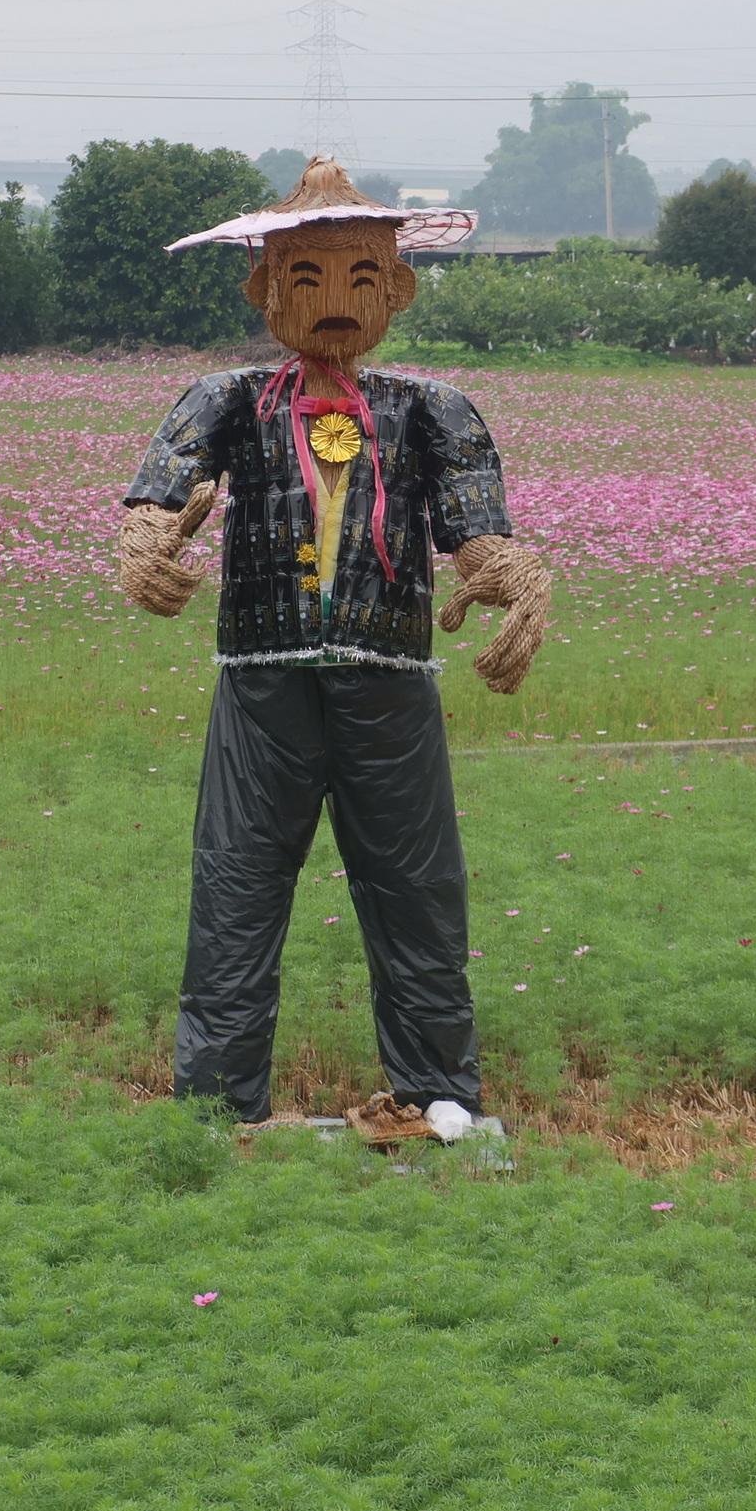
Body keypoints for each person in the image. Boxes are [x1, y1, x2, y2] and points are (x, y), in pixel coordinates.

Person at [114, 157, 552, 1144]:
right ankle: (217, 1109)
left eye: (360, 278)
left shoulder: (434, 411)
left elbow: (476, 531)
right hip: (262, 688)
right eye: (307, 278)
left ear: (395, 289)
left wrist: (519, 577)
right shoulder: (224, 400)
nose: (337, 302)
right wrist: (145, 537)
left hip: (390, 689)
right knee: (235, 882)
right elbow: (163, 489)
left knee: (417, 888)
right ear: (265, 290)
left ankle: (440, 1101)